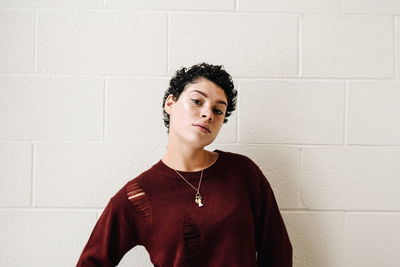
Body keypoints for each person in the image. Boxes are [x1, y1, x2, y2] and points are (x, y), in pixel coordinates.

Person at [76, 62, 292, 266]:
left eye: (218, 110)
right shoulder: (138, 195)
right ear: (170, 103)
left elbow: (278, 251)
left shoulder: (243, 173)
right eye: (197, 101)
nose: (208, 114)